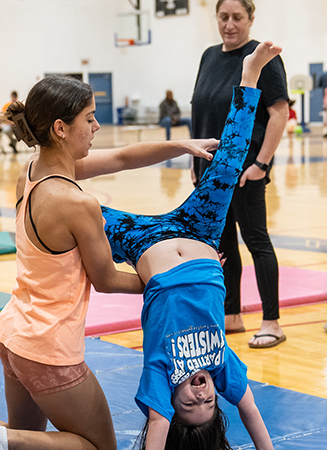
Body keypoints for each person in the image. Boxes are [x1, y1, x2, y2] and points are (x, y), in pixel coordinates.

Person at [0, 74, 218, 450]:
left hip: (15, 334)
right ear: (61, 128)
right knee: (98, 446)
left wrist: (181, 144)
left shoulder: (31, 172)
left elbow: (122, 157)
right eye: (90, 118)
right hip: (49, 346)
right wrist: (175, 280)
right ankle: (3, 441)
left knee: (20, 433)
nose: (97, 126)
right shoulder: (78, 204)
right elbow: (107, 279)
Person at [102, 41, 279, 450]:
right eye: (208, 403)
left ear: (170, 404)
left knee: (75, 211)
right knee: (230, 162)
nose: (199, 395)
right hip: (200, 233)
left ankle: (39, 175)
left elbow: (158, 432)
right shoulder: (223, 369)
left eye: (189, 405)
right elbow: (251, 412)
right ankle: (249, 74)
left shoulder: (161, 378)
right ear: (218, 395)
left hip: (143, 243)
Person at [191, 0, 288, 350]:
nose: (229, 24)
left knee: (256, 241)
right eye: (223, 17)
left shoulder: (262, 57)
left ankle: (272, 321)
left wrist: (261, 163)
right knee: (223, 244)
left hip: (246, 170)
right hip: (210, 170)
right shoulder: (208, 56)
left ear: (250, 19)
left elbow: (279, 112)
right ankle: (231, 315)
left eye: (237, 17)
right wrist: (195, 162)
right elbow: (200, 109)